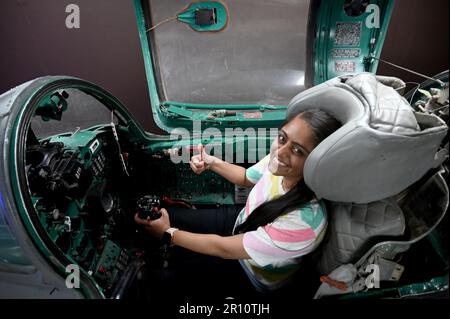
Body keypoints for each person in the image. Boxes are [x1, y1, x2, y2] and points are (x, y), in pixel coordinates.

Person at [135, 108, 341, 297]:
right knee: (169, 215)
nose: (281, 152)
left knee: (165, 279)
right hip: (241, 221)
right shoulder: (278, 164)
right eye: (282, 138)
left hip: (250, 274)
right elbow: (245, 177)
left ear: (318, 162)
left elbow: (222, 248)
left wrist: (168, 234)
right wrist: (211, 162)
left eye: (298, 151)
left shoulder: (305, 223)